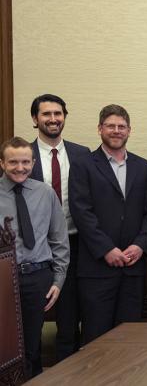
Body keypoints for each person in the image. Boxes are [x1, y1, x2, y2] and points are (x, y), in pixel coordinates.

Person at [68, 105, 147, 343]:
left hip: (133, 267)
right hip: (96, 268)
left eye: (121, 127)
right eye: (110, 126)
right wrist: (106, 249)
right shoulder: (83, 164)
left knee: (129, 338)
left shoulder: (143, 167)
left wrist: (140, 245)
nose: (116, 131)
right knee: (95, 337)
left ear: (129, 130)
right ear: (100, 129)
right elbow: (81, 211)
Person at [0, 137, 69, 378]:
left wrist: (57, 281)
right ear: (2, 163)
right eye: (13, 162)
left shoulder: (45, 193)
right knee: (5, 348)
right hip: (3, 281)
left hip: (37, 277)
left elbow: (60, 241)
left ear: (33, 162)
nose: (20, 168)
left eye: (25, 162)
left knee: (31, 344)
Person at [29, 94, 89, 360]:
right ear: (35, 119)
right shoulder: (22, 156)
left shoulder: (82, 154)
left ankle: (69, 369)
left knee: (70, 313)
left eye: (58, 113)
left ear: (64, 116)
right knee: (34, 313)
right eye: (46, 114)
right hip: (36, 248)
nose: (53, 119)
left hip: (75, 243)